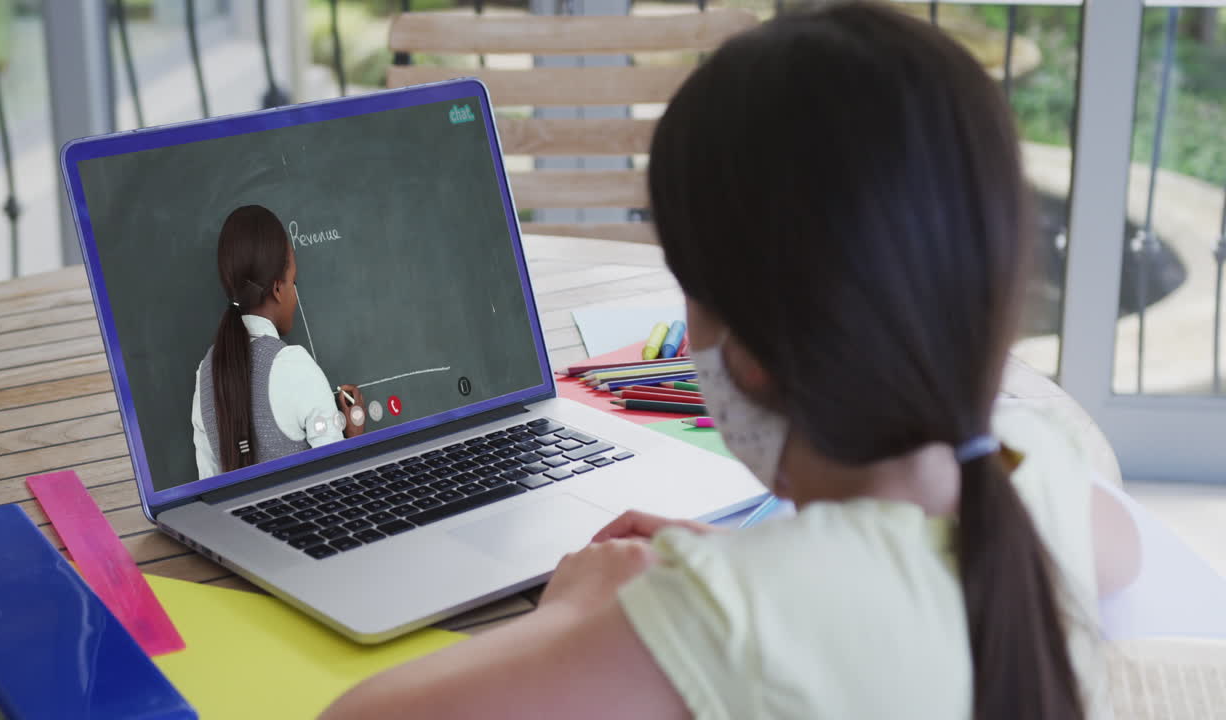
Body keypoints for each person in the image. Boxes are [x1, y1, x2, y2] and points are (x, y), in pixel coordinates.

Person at [321, 4, 1140, 718]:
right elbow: (1115, 550)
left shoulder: (728, 620)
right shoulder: (1043, 477)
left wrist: (574, 618)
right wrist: (754, 563)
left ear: (744, 357)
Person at [192, 204, 365, 478]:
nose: (296, 295)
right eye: (293, 282)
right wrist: (354, 434)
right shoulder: (293, 366)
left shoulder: (205, 376)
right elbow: (341, 484)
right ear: (276, 288)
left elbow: (210, 488)